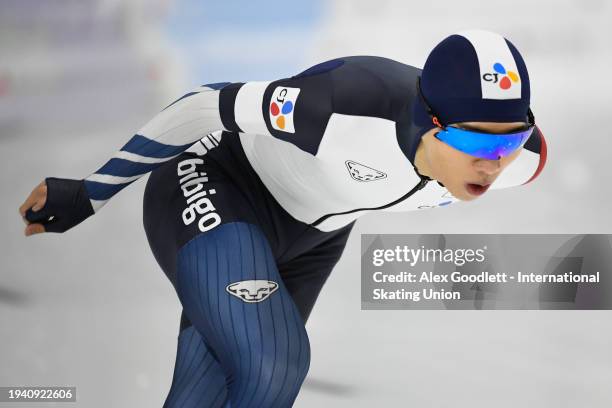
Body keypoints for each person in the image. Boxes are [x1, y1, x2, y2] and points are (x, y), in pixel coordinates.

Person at [18, 29, 547, 407]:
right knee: (274, 366)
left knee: (211, 390)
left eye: (510, 138)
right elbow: (204, 104)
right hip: (217, 181)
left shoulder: (521, 162)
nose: (492, 161)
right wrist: (91, 192)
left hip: (314, 239)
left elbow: (509, 150)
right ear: (426, 122)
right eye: (474, 138)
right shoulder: (344, 109)